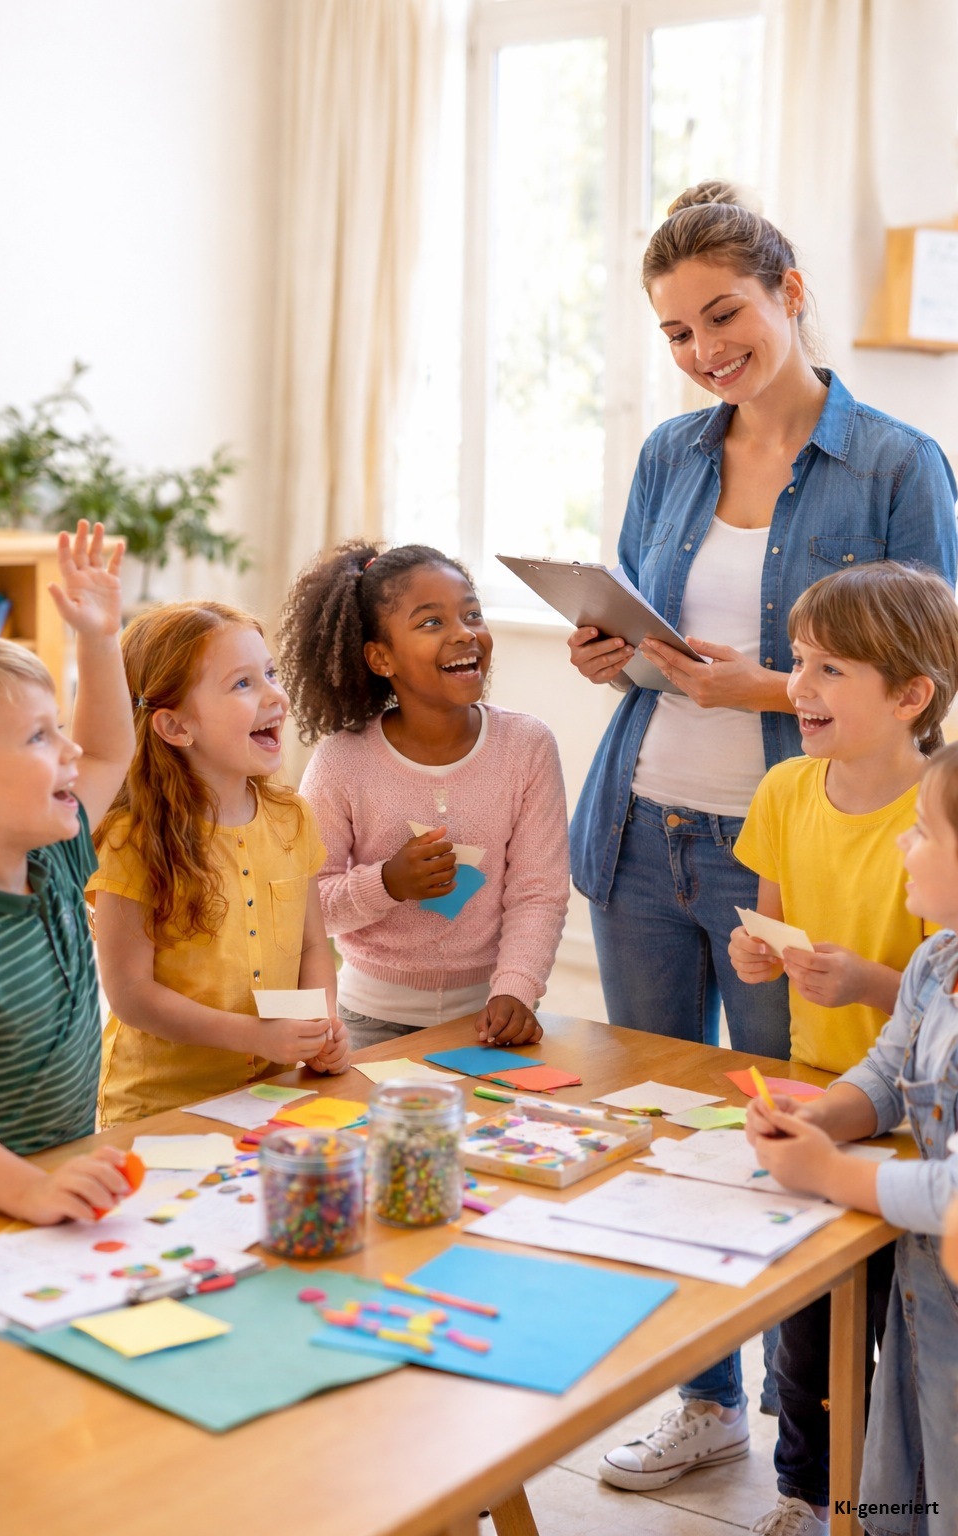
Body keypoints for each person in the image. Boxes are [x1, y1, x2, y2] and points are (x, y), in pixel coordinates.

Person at [583, 181, 956, 1483]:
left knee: (787, 1129)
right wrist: (612, 650)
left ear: (790, 294)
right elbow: (648, 626)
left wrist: (756, 688)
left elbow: (929, 663)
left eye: (723, 315)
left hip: (793, 836)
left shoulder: (898, 464)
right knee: (661, 1124)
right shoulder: (669, 454)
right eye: (677, 331)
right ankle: (704, 1401)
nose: (703, 350)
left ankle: (819, 1449)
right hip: (644, 824)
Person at [726, 562, 958, 1536]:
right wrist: (826, 1118)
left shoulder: (936, 815)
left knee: (924, 1393)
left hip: (913, 1174)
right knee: (834, 1350)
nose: (798, 686)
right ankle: (818, 1494)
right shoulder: (788, 791)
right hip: (852, 1112)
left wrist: (865, 985)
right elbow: (891, 1067)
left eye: (831, 668)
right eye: (797, 661)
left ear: (910, 697)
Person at [279, 541, 569, 1050]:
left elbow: (538, 891)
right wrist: (387, 883)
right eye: (432, 622)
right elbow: (307, 906)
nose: (465, 633)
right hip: (367, 1021)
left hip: (489, 1019)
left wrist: (516, 990)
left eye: (472, 614)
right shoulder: (342, 761)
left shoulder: (527, 746)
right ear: (380, 657)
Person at [0, 522, 137, 1222]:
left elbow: (108, 752)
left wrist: (99, 638)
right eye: (38, 737)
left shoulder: (51, 856)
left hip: (59, 1182)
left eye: (59, 726)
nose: (70, 749)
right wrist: (27, 1190)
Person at [90, 600, 348, 1127]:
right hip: (158, 1109)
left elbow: (311, 945)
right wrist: (255, 1035)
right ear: (175, 726)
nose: (275, 695)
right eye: (242, 684)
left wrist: (321, 1025)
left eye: (270, 674)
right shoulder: (131, 839)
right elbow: (131, 995)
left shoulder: (293, 817)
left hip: (274, 1096)